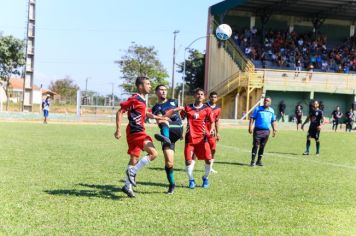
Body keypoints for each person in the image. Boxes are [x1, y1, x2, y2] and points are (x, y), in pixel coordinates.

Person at [114, 76, 168, 198]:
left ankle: (127, 186)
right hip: (136, 131)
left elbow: (146, 113)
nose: (150, 85)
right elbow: (120, 111)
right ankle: (132, 172)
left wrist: (160, 117)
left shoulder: (143, 99)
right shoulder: (134, 98)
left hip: (135, 131)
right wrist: (118, 130)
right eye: (147, 84)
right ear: (140, 86)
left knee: (134, 158)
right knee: (153, 154)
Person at [151, 84, 184, 194]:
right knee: (169, 163)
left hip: (176, 128)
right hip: (166, 132)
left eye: (165, 90)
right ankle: (172, 185)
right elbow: (159, 118)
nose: (164, 91)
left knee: (164, 121)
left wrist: (183, 132)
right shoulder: (156, 108)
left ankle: (165, 138)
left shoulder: (173, 101)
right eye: (161, 90)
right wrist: (171, 112)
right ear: (156, 92)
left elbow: (179, 115)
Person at [181, 88, 214, 189]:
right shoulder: (187, 108)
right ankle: (191, 180)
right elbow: (180, 119)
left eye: (202, 94)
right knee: (188, 161)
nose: (200, 96)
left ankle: (205, 178)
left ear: (204, 97)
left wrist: (212, 130)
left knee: (208, 160)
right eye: (198, 94)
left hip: (202, 139)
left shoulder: (207, 109)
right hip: (189, 138)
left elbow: (212, 121)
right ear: (194, 96)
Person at [248, 97, 277, 167]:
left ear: (270, 103)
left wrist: (274, 130)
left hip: (266, 131)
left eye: (267, 101)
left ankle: (259, 161)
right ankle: (252, 161)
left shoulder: (271, 111)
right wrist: (250, 127)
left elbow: (273, 121)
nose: (265, 102)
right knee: (255, 145)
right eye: (265, 101)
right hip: (258, 130)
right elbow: (252, 118)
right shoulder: (258, 109)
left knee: (262, 146)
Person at [205, 91, 221, 173]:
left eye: (215, 97)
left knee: (213, 149)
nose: (213, 98)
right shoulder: (204, 106)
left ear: (217, 98)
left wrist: (217, 133)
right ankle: (191, 165)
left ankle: (210, 167)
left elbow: (217, 121)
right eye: (212, 97)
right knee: (199, 148)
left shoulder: (218, 108)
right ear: (209, 97)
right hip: (203, 130)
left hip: (212, 131)